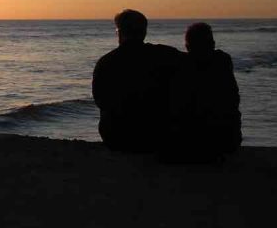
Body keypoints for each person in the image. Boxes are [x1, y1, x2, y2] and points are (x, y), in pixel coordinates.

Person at [92, 9, 181, 152]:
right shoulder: (165, 55)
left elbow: (100, 99)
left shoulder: (106, 62)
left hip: (116, 136)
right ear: (144, 32)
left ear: (120, 32)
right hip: (157, 134)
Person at [166, 22, 242, 159]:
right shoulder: (223, 61)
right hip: (227, 139)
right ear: (212, 44)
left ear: (187, 46)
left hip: (189, 141)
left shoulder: (181, 64)